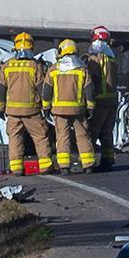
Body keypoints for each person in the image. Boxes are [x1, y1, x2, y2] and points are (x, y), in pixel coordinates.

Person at [0, 32, 55, 175]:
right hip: (31, 111)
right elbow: (41, 88)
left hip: (13, 112)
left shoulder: (7, 66)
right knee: (40, 137)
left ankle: (16, 168)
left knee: (15, 139)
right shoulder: (34, 66)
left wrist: (0, 108)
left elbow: (0, 89)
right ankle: (45, 166)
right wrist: (46, 106)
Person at [43, 39, 96, 173]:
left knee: (62, 137)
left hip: (59, 111)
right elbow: (89, 90)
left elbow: (47, 91)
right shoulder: (82, 69)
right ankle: (88, 165)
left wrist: (46, 107)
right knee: (83, 136)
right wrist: (90, 107)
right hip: (78, 110)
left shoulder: (53, 69)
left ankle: (64, 167)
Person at [86, 26, 120, 170]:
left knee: (93, 131)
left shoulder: (95, 59)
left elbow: (91, 79)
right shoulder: (112, 58)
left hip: (100, 101)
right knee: (107, 132)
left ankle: (89, 162)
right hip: (112, 101)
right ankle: (108, 159)